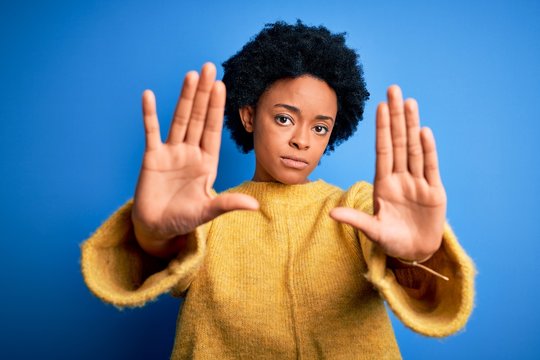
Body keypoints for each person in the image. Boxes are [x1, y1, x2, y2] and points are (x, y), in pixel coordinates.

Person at [81, 21, 475, 359]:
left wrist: (420, 254)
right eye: (285, 118)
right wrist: (153, 237)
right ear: (249, 115)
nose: (302, 140)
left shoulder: (355, 207)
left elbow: (422, 286)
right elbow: (150, 266)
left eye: (320, 127)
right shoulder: (209, 214)